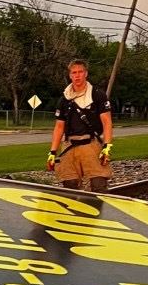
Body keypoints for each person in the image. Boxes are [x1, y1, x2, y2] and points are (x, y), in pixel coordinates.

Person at [47, 58, 113, 191]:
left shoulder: (97, 95)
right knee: (69, 186)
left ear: (86, 73)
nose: (77, 75)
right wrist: (52, 152)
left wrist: (107, 146)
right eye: (74, 73)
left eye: (80, 72)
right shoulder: (64, 99)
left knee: (99, 184)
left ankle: (99, 211)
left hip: (91, 144)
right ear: (70, 75)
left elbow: (107, 122)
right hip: (69, 145)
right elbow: (59, 127)